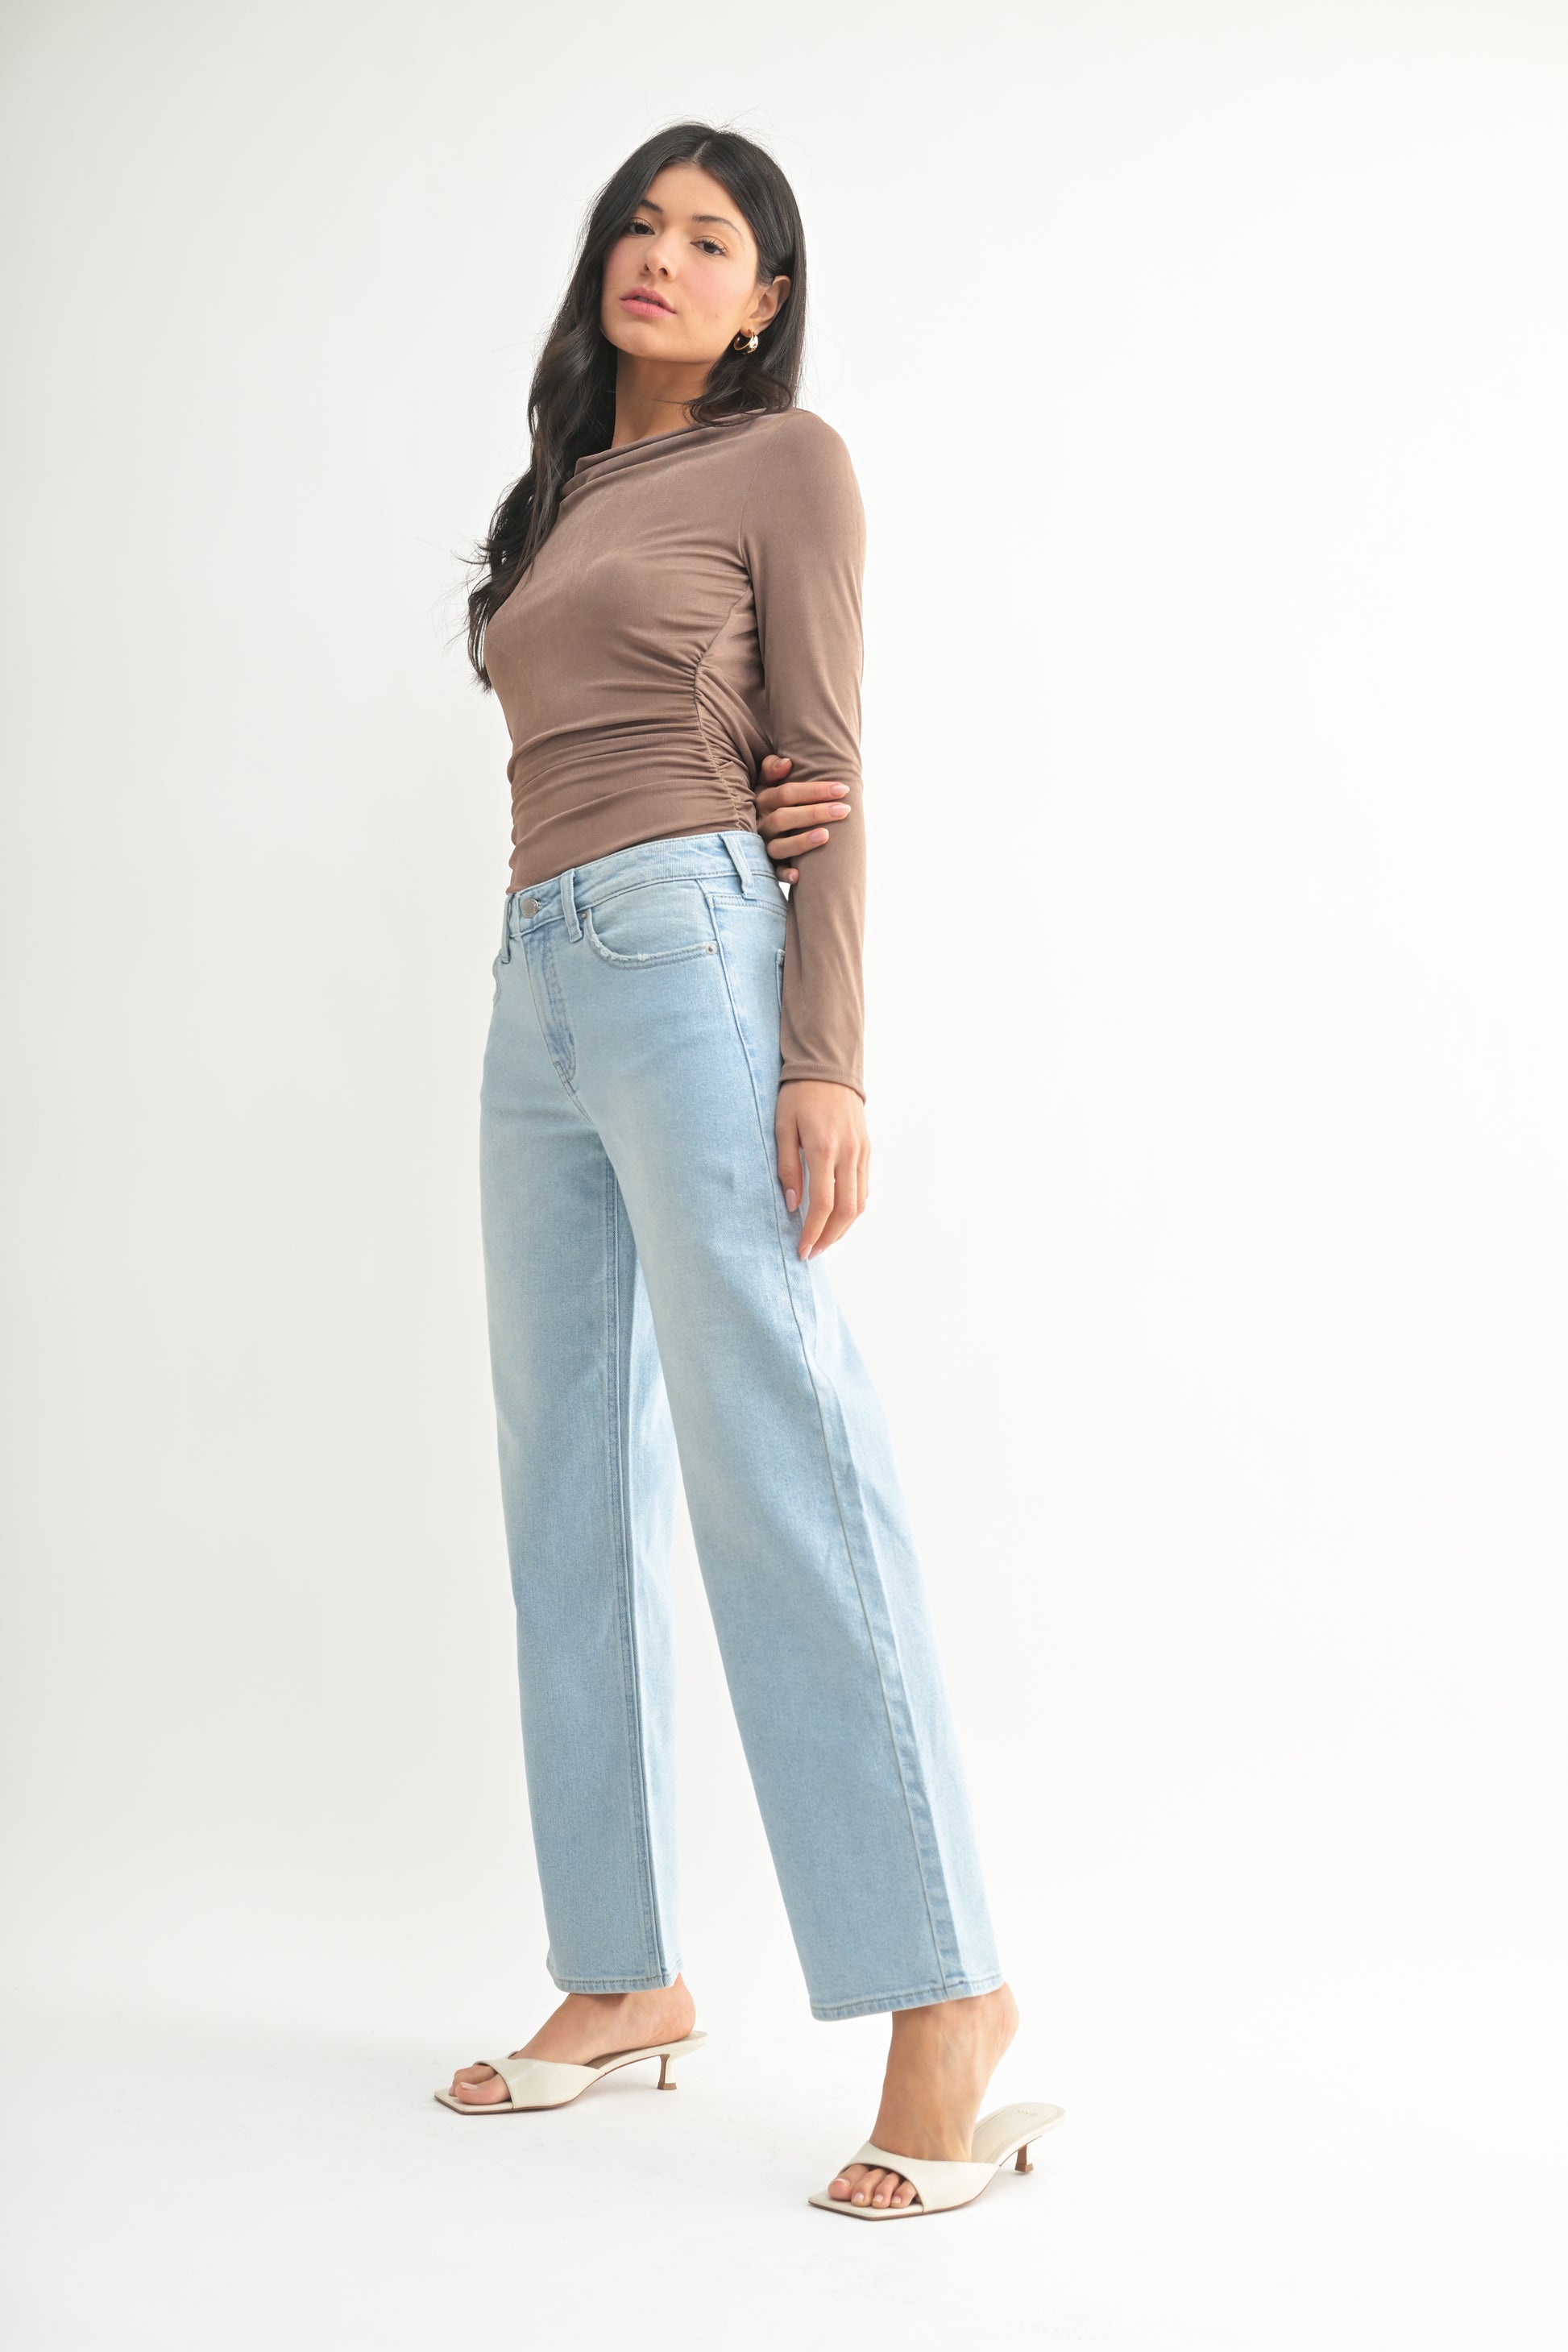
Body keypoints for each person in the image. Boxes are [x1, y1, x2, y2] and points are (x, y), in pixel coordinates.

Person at [441, 122, 1058, 2218]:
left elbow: (827, 765)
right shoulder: (565, 500)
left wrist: (829, 1061)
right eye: (639, 221)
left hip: (696, 958)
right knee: (561, 1487)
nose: (662, 255)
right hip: (535, 982)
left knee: (774, 1455)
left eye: (712, 238)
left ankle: (943, 1989)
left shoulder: (785, 466)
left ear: (764, 297)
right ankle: (618, 1976)